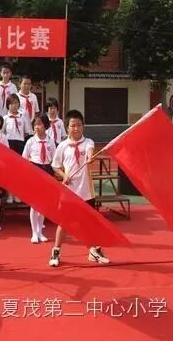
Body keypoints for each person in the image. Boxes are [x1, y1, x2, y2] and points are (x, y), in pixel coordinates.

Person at [49, 110, 109, 267]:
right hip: (69, 192)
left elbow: (90, 152)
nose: (76, 128)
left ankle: (93, 251)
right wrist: (63, 175)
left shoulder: (88, 142)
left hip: (86, 192)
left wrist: (89, 158)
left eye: (79, 125)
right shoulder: (63, 146)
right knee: (64, 223)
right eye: (73, 126)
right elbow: (55, 166)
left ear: (83, 126)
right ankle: (56, 251)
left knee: (90, 223)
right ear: (67, 128)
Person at [22, 114, 56, 244]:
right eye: (35, 124)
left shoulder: (50, 141)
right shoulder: (31, 141)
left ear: (46, 126)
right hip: (34, 170)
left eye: (40, 124)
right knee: (35, 204)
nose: (37, 127)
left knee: (44, 205)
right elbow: (24, 158)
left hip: (47, 170)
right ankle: (34, 232)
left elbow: (54, 158)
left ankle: (40, 231)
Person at [3, 93, 31, 204]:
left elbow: (27, 132)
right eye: (12, 103)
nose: (14, 105)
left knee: (18, 172)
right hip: (9, 145)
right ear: (8, 105)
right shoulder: (5, 118)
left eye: (16, 103)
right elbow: (2, 133)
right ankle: (10, 194)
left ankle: (17, 194)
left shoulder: (23, 117)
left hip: (20, 144)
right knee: (9, 172)